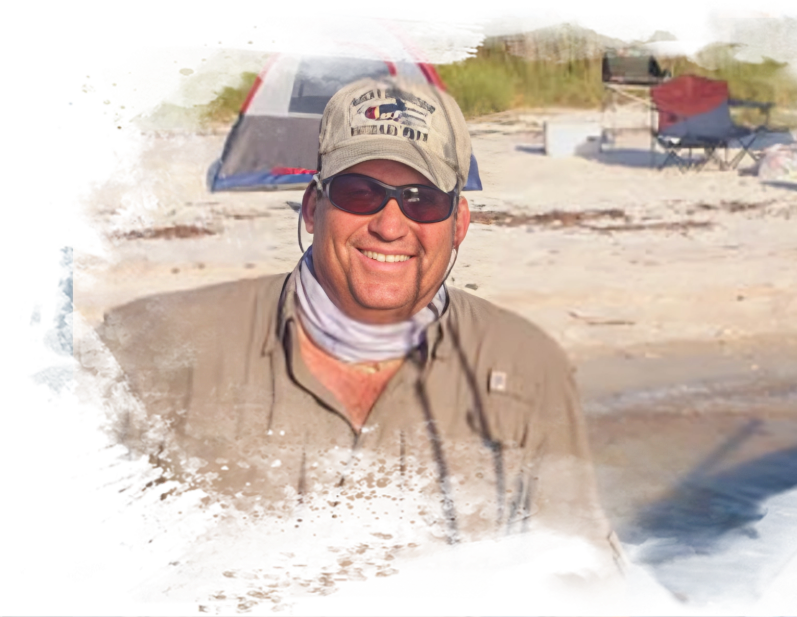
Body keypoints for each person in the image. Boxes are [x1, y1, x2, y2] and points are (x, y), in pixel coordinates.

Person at [74, 76, 632, 613]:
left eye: (421, 199)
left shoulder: (527, 369)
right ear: (314, 207)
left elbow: (585, 591)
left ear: (458, 223)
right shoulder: (145, 353)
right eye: (361, 192)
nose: (390, 225)